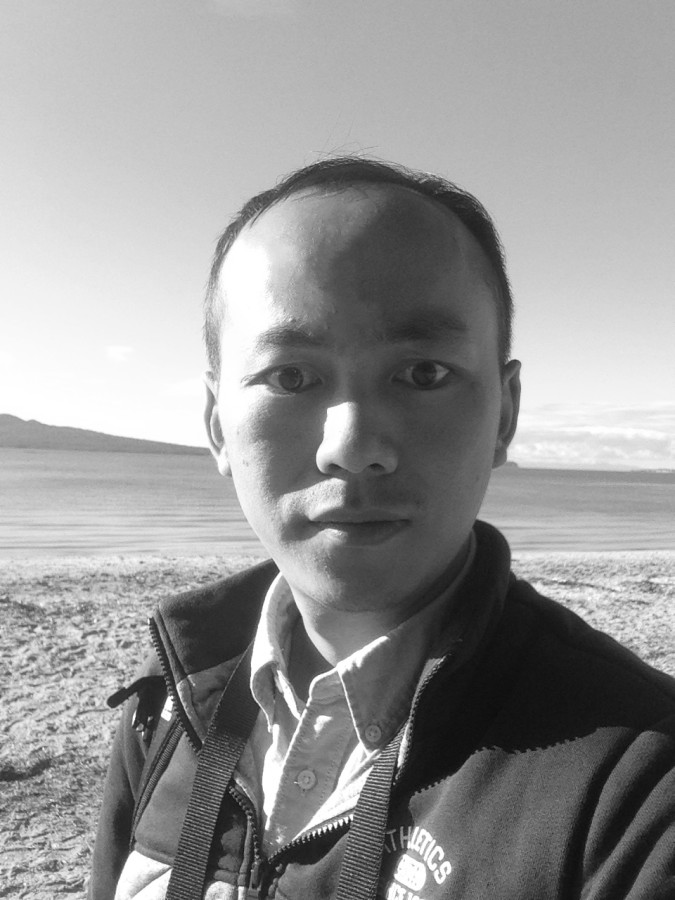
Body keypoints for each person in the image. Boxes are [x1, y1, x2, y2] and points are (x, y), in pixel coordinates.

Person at [89, 158, 675, 900]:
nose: (352, 446)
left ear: (504, 414)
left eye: (423, 373)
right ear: (216, 426)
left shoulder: (636, 788)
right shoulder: (171, 700)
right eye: (291, 377)